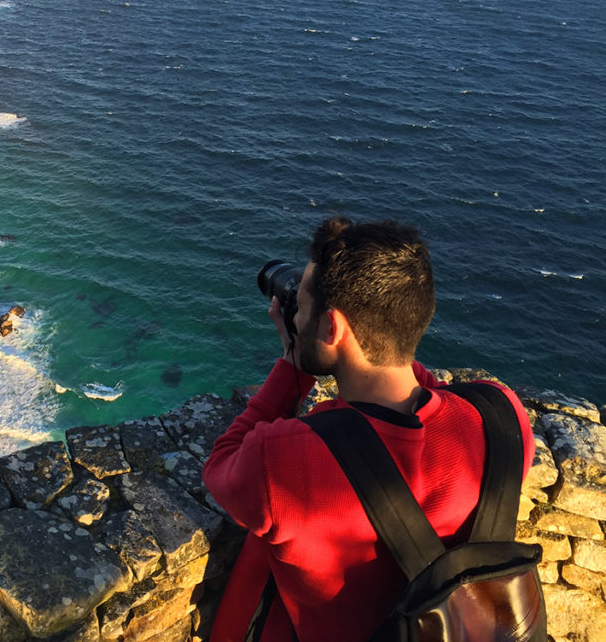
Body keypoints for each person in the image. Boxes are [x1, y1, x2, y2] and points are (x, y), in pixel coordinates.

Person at [202, 215, 535, 642]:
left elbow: (221, 463)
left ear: (332, 328)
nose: (295, 315)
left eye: (300, 306)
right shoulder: (504, 419)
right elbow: (427, 402)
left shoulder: (283, 461)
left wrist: (293, 362)